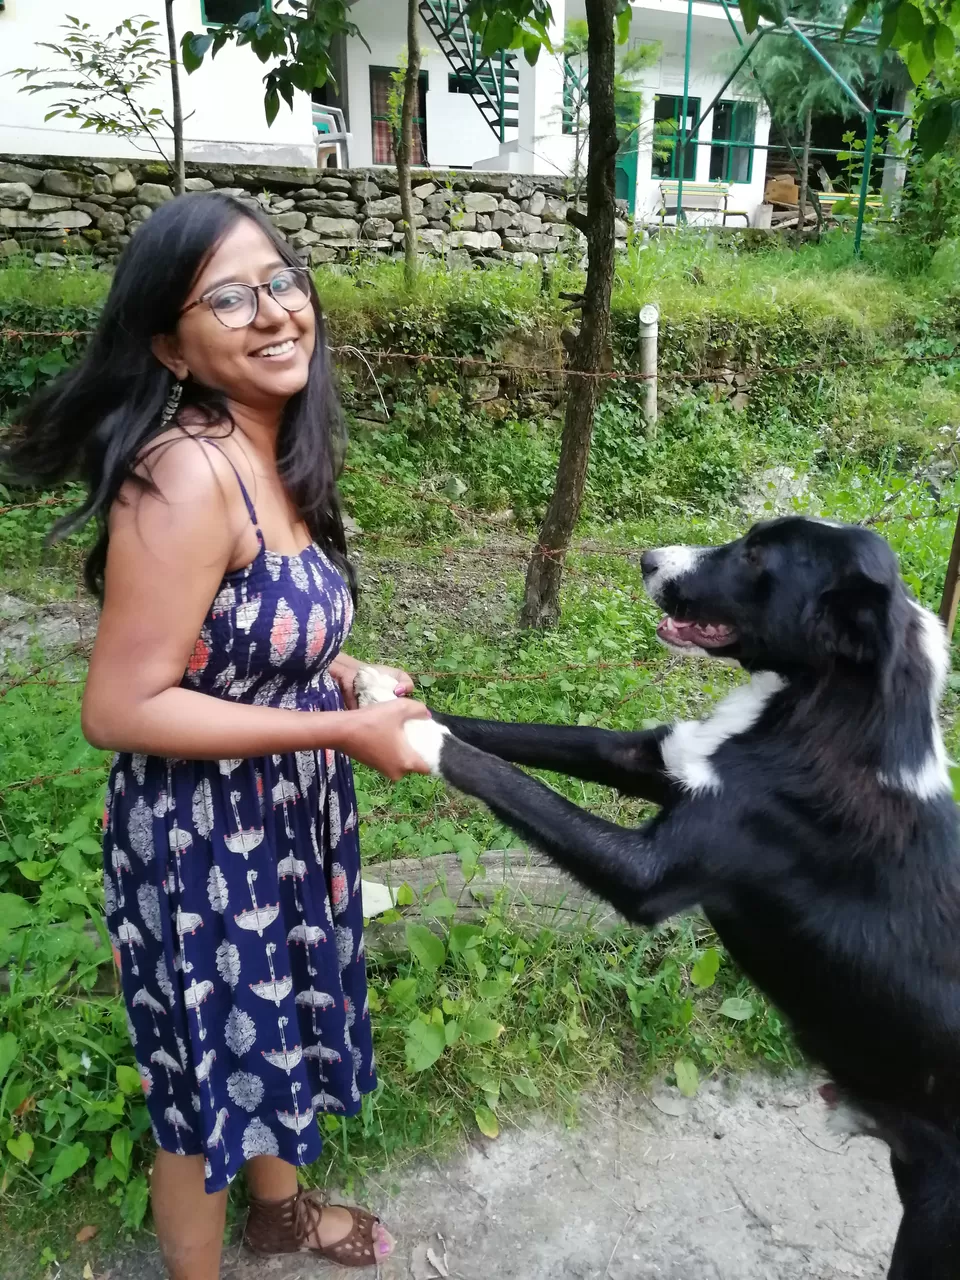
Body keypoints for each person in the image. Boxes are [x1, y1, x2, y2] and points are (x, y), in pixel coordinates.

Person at [6, 193, 433, 1279]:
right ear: (170, 344)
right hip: (203, 841)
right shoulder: (185, 472)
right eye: (228, 297)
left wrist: (343, 669)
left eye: (281, 280)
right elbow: (122, 705)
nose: (275, 311)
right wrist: (342, 724)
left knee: (277, 1032)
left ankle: (280, 1216)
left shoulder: (271, 452)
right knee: (203, 1086)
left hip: (283, 817)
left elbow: (243, 642)